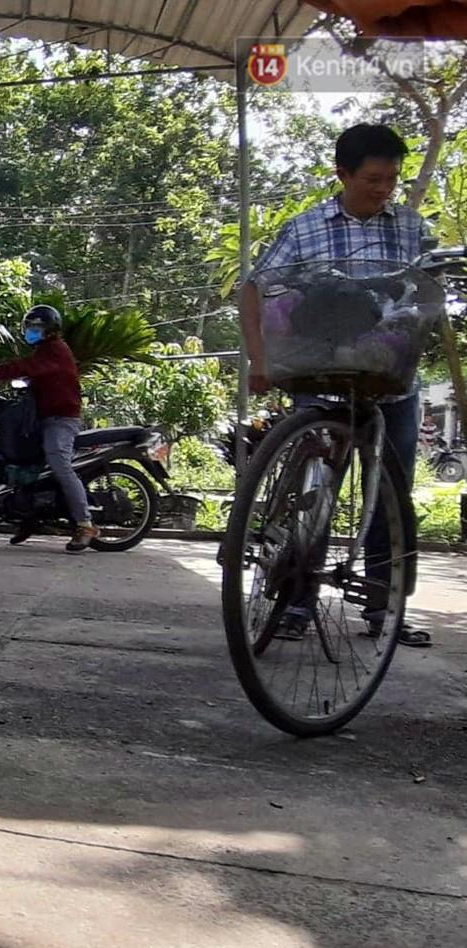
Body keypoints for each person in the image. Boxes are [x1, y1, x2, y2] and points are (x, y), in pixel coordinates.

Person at [240, 122, 433, 648]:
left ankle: (383, 608)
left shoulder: (413, 228)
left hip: (390, 378)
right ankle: (295, 603)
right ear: (343, 174)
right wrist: (260, 360)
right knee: (315, 490)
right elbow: (253, 287)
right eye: (373, 178)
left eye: (392, 178)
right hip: (321, 372)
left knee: (391, 490)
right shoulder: (305, 229)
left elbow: (430, 288)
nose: (384, 187)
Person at [0, 304, 95, 552]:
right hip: (41, 418)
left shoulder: (55, 351)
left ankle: (85, 523)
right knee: (20, 458)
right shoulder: (43, 351)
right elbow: (29, 373)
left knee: (58, 461)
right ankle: (29, 515)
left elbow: (29, 368)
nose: (30, 332)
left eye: (36, 328)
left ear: (49, 331)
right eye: (29, 328)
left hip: (61, 419)